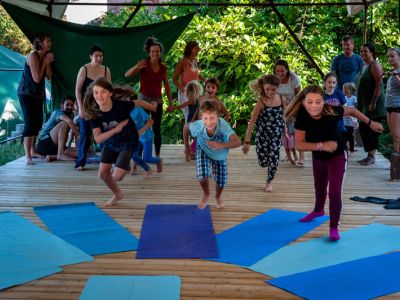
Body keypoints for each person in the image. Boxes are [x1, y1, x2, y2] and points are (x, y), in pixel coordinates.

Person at [284, 85, 383, 241]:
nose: (314, 105)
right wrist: (321, 146)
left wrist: (370, 123)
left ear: (324, 101)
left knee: (334, 193)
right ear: (303, 102)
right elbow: (299, 144)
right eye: (309, 102)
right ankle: (318, 210)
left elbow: (352, 110)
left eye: (318, 101)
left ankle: (333, 227)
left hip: (337, 155)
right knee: (319, 186)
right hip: (318, 156)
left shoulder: (332, 110)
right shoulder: (302, 116)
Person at [80, 77, 156, 207]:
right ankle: (118, 194)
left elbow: (137, 102)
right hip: (111, 142)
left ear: (110, 93)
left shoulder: (121, 106)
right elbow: (98, 138)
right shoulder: (94, 113)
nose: (99, 95)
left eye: (103, 91)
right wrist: (116, 129)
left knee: (117, 176)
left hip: (128, 141)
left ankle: (124, 166)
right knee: (103, 174)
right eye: (96, 92)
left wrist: (152, 107)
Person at [125, 37, 173, 157]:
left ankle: (156, 155)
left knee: (156, 128)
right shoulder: (144, 64)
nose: (155, 53)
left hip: (157, 100)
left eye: (157, 51)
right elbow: (127, 75)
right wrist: (137, 68)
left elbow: (167, 86)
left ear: (160, 52)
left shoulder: (163, 68)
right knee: (142, 127)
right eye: (152, 51)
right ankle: (138, 154)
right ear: (149, 52)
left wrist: (171, 103)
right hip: (143, 100)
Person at [189, 100, 241, 209]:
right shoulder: (198, 125)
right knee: (202, 174)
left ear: (218, 117)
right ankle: (206, 193)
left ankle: (218, 196)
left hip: (219, 154)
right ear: (201, 118)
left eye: (212, 118)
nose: (209, 122)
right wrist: (186, 148)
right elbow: (185, 128)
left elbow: (237, 142)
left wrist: (220, 145)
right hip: (203, 149)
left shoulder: (223, 125)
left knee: (221, 181)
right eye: (205, 118)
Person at [242, 75, 287, 192]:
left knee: (274, 158)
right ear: (263, 87)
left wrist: (285, 131)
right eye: (267, 89)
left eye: (273, 89)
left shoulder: (282, 99)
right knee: (263, 162)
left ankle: (269, 182)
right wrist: (246, 141)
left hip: (275, 136)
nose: (270, 92)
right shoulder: (261, 102)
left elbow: (283, 117)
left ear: (278, 87)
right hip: (262, 136)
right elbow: (252, 122)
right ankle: (264, 163)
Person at [17, 32, 54, 165]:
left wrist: (47, 62)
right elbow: (37, 78)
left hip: (37, 94)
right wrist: (44, 62)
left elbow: (49, 76)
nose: (50, 43)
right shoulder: (33, 56)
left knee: (38, 122)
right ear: (40, 43)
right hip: (26, 94)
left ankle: (33, 151)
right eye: (47, 41)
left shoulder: (44, 56)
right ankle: (27, 156)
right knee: (30, 122)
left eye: (50, 41)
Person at [75, 44, 111, 171]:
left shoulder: (106, 70)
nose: (98, 58)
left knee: (103, 133)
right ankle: (80, 162)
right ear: (91, 56)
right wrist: (80, 107)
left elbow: (109, 90)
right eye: (96, 56)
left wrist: (107, 107)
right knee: (84, 133)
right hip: (85, 105)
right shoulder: (84, 69)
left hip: (100, 105)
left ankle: (107, 161)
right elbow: (78, 90)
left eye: (101, 56)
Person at [356, 43, 386, 165]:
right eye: (361, 51)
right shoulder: (364, 65)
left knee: (367, 128)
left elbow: (379, 84)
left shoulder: (375, 65)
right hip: (364, 103)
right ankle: (370, 154)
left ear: (372, 53)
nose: (363, 53)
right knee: (364, 127)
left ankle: (371, 156)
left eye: (366, 51)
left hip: (374, 103)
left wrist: (373, 102)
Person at [273, 59, 303, 165]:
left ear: (287, 70)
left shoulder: (293, 78)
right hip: (280, 107)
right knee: (285, 132)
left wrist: (294, 109)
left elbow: (299, 95)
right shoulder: (274, 80)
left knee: (296, 131)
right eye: (278, 72)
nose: (280, 74)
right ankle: (288, 154)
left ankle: (301, 156)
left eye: (282, 71)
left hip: (294, 105)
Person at [37, 96, 79, 162]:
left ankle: (54, 156)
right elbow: (68, 121)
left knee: (82, 152)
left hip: (55, 147)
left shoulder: (71, 115)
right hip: (44, 144)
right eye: (67, 105)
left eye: (72, 105)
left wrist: (69, 146)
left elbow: (71, 132)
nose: (70, 107)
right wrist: (78, 135)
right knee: (65, 123)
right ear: (62, 105)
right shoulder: (58, 112)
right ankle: (60, 154)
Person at [173, 40, 205, 122]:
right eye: (196, 48)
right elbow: (174, 79)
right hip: (185, 95)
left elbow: (197, 75)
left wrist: (206, 80)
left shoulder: (195, 61)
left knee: (197, 117)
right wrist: (183, 90)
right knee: (190, 117)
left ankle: (193, 134)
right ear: (190, 49)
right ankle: (187, 134)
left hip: (195, 93)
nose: (198, 50)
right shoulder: (182, 62)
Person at [171, 80, 203, 161]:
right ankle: (188, 150)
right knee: (194, 135)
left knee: (195, 136)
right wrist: (173, 108)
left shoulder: (198, 98)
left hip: (194, 119)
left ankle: (190, 151)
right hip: (192, 120)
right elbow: (182, 106)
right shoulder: (192, 100)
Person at [130, 106, 163, 178]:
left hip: (146, 137)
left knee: (146, 158)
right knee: (133, 155)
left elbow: (151, 121)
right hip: (135, 138)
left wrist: (140, 132)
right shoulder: (121, 110)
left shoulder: (138, 110)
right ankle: (136, 167)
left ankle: (158, 160)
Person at [386, 48, 400, 156]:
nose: (389, 58)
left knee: (397, 136)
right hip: (389, 107)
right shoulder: (393, 71)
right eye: (388, 56)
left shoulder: (398, 71)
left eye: (392, 56)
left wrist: (396, 75)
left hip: (397, 106)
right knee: (394, 136)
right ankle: (396, 164)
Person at [342, 82, 358, 153]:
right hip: (345, 120)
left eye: (346, 89)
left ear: (351, 89)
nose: (345, 90)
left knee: (351, 135)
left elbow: (356, 108)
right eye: (344, 89)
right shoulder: (343, 98)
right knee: (344, 135)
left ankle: (351, 148)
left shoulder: (354, 98)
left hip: (352, 121)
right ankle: (345, 148)